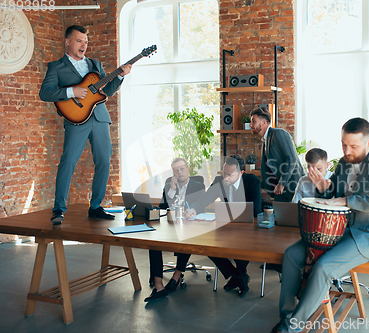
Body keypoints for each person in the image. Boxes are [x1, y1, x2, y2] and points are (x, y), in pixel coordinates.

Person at [272, 118, 369, 333]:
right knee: (291, 255)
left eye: (353, 146)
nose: (347, 150)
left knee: (324, 268)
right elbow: (334, 196)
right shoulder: (343, 162)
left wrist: (348, 201)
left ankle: (291, 328)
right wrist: (323, 188)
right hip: (340, 230)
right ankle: (286, 316)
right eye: (343, 144)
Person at [39, 25, 132, 224]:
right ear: (67, 41)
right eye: (79, 40)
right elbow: (45, 93)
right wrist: (71, 92)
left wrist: (121, 75)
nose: (84, 45)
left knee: (104, 162)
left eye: (86, 41)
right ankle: (58, 209)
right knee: (68, 162)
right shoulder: (56, 67)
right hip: (75, 120)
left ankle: (96, 206)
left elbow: (107, 91)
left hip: (99, 118)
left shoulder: (95, 64)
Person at [187, 155, 262, 297]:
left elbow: (255, 211)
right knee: (206, 244)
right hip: (226, 226)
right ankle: (238, 276)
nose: (225, 178)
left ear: (241, 173)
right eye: (224, 173)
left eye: (230, 175)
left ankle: (238, 276)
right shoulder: (219, 181)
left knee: (242, 244)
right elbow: (204, 199)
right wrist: (193, 209)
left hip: (246, 228)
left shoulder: (252, 181)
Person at [146, 158, 205, 300]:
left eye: (182, 169)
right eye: (176, 170)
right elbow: (162, 207)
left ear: (188, 169)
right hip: (170, 224)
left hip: (189, 226)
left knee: (186, 238)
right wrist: (171, 192)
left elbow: (201, 204)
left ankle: (176, 275)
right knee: (153, 241)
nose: (179, 173)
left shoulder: (198, 185)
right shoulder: (169, 184)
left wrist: (194, 210)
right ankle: (158, 286)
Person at [249, 108, 305, 202]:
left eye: (253, 121)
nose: (250, 125)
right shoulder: (266, 140)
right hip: (281, 191)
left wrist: (282, 184)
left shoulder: (279, 134)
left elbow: (291, 158)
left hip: (292, 189)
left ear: (263, 123)